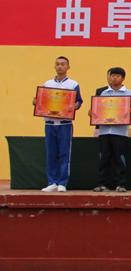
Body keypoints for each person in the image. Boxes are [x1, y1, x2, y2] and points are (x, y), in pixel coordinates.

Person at [34, 56, 83, 192]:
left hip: (65, 123)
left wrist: (76, 105)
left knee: (64, 153)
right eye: (57, 64)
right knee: (51, 154)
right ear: (54, 66)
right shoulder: (47, 83)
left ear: (68, 67)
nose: (60, 66)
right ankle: (52, 182)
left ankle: (62, 183)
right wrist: (36, 102)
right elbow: (42, 100)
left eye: (62, 64)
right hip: (49, 123)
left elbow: (79, 101)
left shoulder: (73, 84)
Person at [92, 67, 131, 193]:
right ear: (109, 77)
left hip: (120, 132)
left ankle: (120, 184)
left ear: (123, 78)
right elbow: (98, 109)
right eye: (113, 76)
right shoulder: (104, 93)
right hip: (104, 131)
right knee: (104, 158)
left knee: (119, 159)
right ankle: (103, 184)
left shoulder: (128, 92)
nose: (115, 78)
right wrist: (93, 113)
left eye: (118, 76)